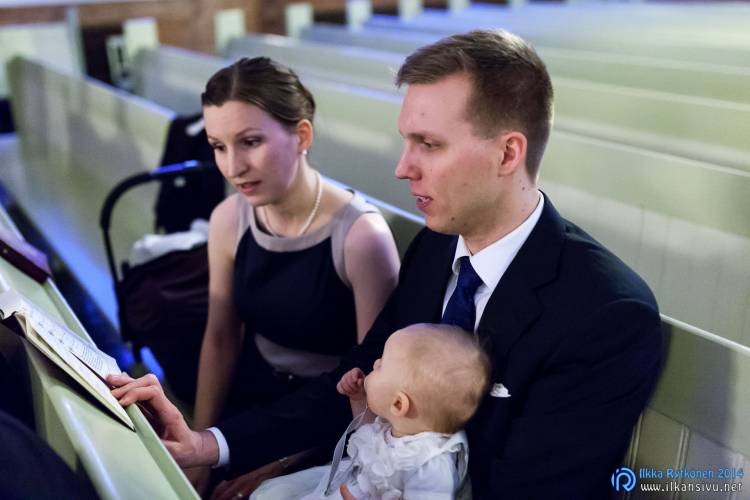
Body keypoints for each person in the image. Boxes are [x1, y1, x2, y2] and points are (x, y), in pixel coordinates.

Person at [109, 30, 663, 498]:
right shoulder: (438, 247)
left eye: (429, 144)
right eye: (406, 141)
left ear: (508, 153)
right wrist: (209, 444)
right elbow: (353, 379)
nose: (402, 168)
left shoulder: (605, 313)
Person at [188, 57, 401, 494]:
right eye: (218, 146)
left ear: (302, 135)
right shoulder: (229, 217)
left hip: (331, 414)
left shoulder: (362, 237)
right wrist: (198, 446)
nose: (232, 166)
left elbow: (371, 382)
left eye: (250, 142)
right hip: (256, 388)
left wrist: (279, 463)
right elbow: (221, 337)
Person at [250, 323, 490, 499]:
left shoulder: (430, 464)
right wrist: (358, 398)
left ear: (398, 404)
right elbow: (367, 435)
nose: (374, 363)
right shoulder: (399, 426)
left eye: (381, 364)